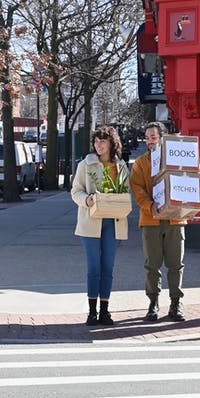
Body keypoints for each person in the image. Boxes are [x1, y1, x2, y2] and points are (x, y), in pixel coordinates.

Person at [71, 125, 130, 327]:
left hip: (113, 222)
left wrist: (122, 203)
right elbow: (75, 191)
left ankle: (105, 311)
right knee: (94, 267)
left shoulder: (121, 166)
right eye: (96, 141)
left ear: (111, 143)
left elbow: (126, 194)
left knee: (108, 267)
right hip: (91, 222)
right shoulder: (85, 165)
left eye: (102, 141)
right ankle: (91, 312)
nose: (98, 145)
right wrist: (86, 200)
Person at [130, 121, 185, 322]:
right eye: (147, 138)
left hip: (174, 219)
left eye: (153, 137)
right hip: (150, 219)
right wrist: (148, 205)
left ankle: (175, 303)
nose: (150, 142)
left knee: (176, 264)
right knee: (152, 264)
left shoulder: (176, 157)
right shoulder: (141, 163)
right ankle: (153, 302)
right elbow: (136, 188)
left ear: (163, 138)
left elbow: (190, 175)